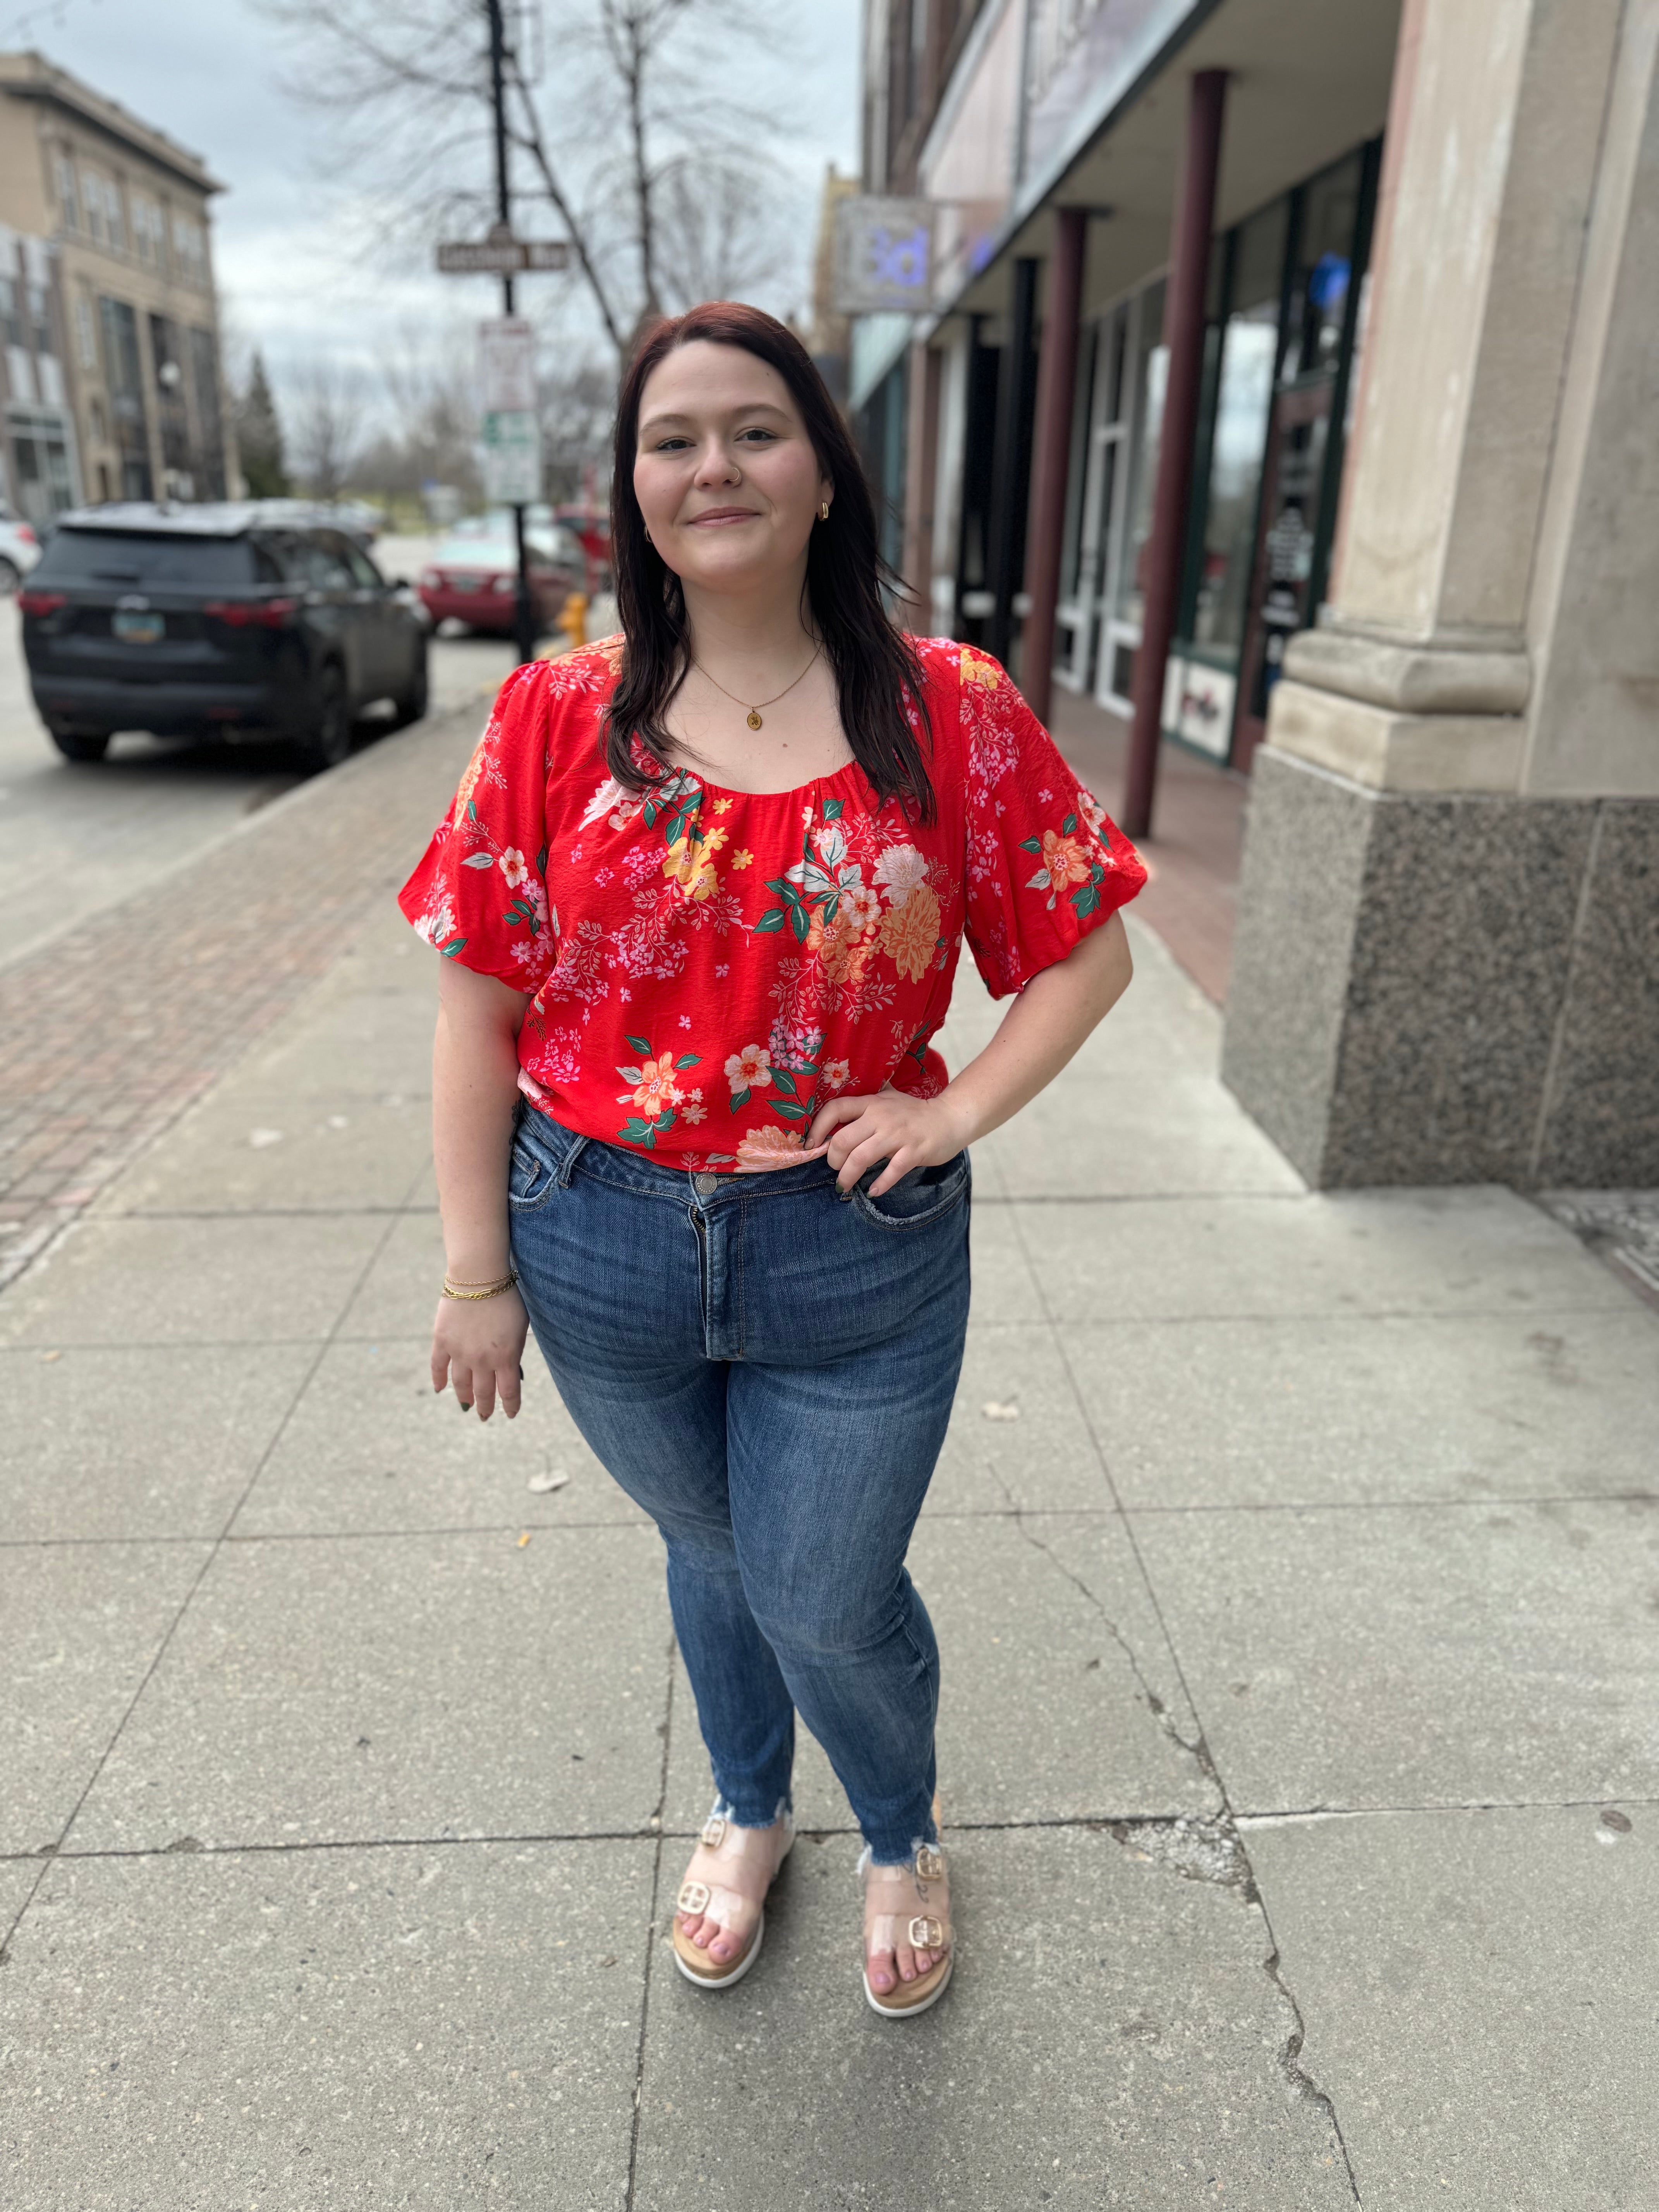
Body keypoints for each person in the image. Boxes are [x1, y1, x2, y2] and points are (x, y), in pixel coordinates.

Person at [398, 301, 1145, 2019]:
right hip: (596, 1237)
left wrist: (954, 1113)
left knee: (820, 1589)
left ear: (822, 471)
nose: (713, 467)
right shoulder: (550, 719)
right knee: (715, 1553)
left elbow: (1085, 952)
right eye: (674, 440)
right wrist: (475, 1274)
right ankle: (750, 1809)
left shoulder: (945, 708)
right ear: (633, 489)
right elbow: (475, 1018)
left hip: (854, 1245)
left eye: (755, 430)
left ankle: (897, 1822)